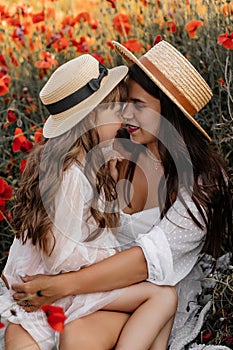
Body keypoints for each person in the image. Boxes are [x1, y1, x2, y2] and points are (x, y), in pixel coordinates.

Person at [8, 40, 232, 349]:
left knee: (81, 333)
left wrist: (59, 286)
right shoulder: (110, 153)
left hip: (134, 297)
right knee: (40, 334)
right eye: (123, 101)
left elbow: (146, 262)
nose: (125, 113)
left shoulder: (202, 181)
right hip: (86, 293)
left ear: (168, 112)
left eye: (138, 105)